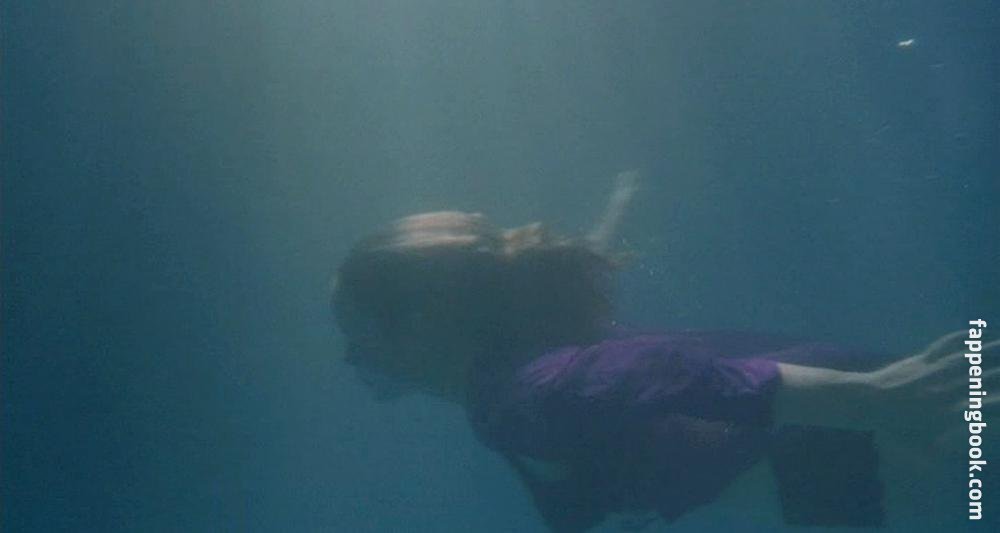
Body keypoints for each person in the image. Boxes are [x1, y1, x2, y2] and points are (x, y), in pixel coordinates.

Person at [329, 172, 997, 532]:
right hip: (862, 438)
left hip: (873, 452)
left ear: (425, 324)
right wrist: (616, 215)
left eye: (360, 336)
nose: (352, 358)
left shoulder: (516, 398)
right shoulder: (527, 341)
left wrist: (873, 400)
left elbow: (651, 370)